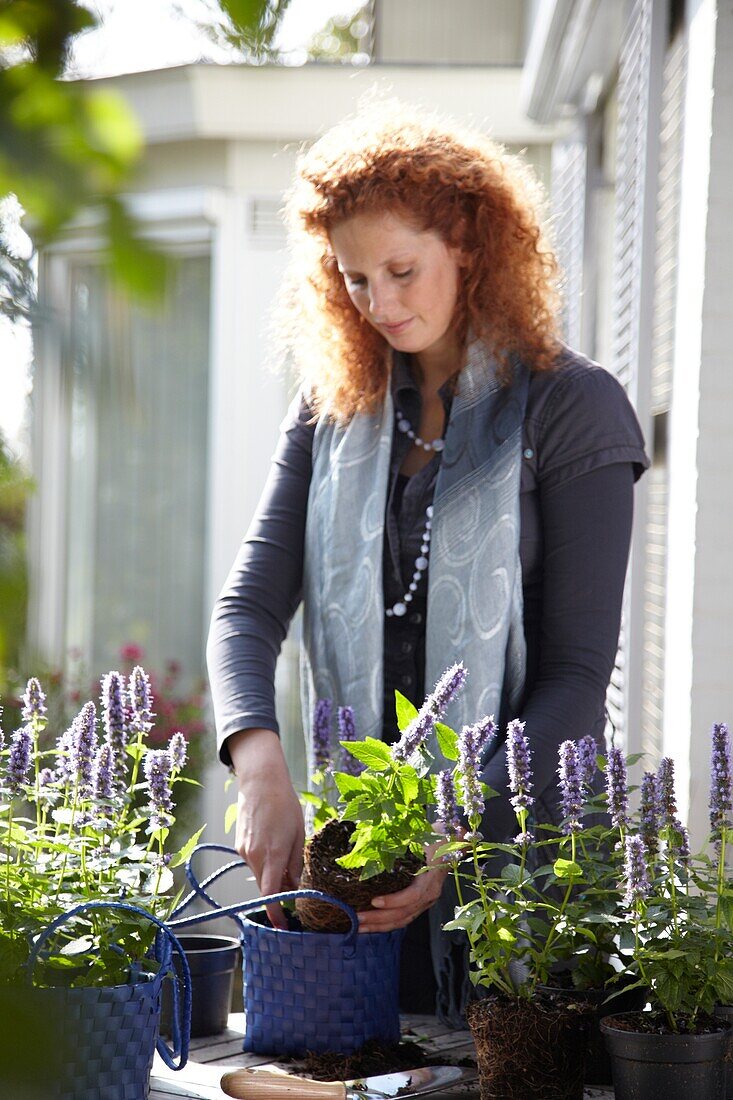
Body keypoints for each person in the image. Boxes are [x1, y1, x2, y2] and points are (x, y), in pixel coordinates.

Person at [206, 103, 649, 1024]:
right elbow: (247, 607)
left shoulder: (574, 409)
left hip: (526, 872)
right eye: (354, 278)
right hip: (367, 866)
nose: (380, 303)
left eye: (402, 271)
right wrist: (259, 767)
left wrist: (456, 832)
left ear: (472, 247)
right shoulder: (333, 412)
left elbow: (574, 676)